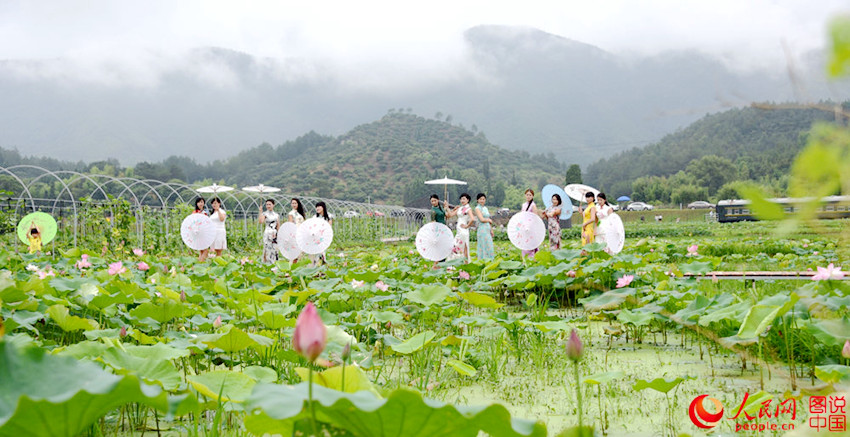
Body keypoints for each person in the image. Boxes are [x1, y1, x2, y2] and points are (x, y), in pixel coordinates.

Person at [447, 193, 474, 263]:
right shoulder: (460, 208)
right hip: (459, 229)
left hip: (463, 230)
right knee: (456, 245)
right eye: (461, 199)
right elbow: (450, 215)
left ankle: (466, 263)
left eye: (464, 199)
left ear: (468, 200)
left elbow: (472, 219)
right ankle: (458, 261)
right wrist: (447, 207)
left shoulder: (468, 209)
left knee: (464, 246)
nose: (462, 200)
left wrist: (467, 226)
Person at [311, 201, 333, 266]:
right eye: (316, 207)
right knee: (317, 251)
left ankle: (323, 264)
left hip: (325, 236)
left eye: (319, 207)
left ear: (323, 207)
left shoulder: (329, 216)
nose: (317, 208)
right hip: (316, 237)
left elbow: (329, 226)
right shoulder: (314, 217)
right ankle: (317, 266)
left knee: (323, 251)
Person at [474, 193, 495, 260]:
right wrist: (488, 220)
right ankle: (483, 260)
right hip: (482, 229)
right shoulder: (477, 208)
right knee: (483, 245)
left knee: (489, 246)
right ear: (477, 200)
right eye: (480, 199)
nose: (482, 201)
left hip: (487, 228)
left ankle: (490, 260)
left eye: (483, 199)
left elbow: (489, 221)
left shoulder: (485, 208)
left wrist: (491, 230)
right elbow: (481, 219)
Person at [258, 199, 280, 264]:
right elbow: (261, 222)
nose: (268, 206)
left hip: (274, 234)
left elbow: (278, 225)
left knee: (274, 248)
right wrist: (260, 212)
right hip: (268, 233)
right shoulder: (265, 214)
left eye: (270, 204)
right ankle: (267, 262)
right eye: (267, 204)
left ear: (273, 205)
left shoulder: (276, 215)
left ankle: (274, 263)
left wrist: (279, 234)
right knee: (267, 248)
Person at [521, 189, 539, 257]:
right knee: (524, 243)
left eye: (530, 195)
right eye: (527, 195)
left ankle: (532, 258)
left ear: (533, 196)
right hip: (524, 227)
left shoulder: (533, 205)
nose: (528, 196)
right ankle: (524, 258)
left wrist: (530, 225)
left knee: (531, 243)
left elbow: (535, 217)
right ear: (525, 195)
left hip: (531, 227)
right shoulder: (523, 205)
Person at [193, 197, 210, 261]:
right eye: (199, 202)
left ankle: (200, 262)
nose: (201, 203)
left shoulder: (205, 212)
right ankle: (201, 262)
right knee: (204, 249)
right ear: (196, 203)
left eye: (202, 202)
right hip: (198, 232)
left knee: (203, 249)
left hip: (205, 231)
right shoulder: (195, 212)